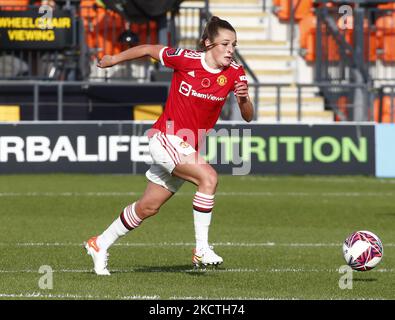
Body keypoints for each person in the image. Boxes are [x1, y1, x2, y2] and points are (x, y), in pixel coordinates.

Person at [84, 16, 254, 275]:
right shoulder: (186, 58)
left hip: (187, 147)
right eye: (225, 43)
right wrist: (112, 60)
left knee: (148, 207)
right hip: (166, 137)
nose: (231, 50)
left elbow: (248, 115)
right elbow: (147, 49)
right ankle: (201, 249)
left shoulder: (235, 73)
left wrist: (243, 100)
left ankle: (100, 243)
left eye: (234, 45)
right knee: (209, 178)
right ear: (208, 43)